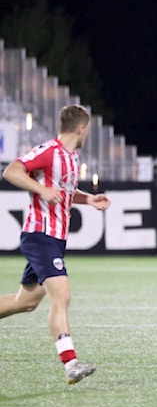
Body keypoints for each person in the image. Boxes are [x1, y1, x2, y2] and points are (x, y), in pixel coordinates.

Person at [0, 104, 111, 385]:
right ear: (82, 128)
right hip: (40, 236)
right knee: (61, 296)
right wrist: (41, 189)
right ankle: (70, 363)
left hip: (55, 240)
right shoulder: (49, 150)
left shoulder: (72, 157)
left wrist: (89, 200)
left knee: (24, 302)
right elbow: (11, 171)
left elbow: (65, 192)